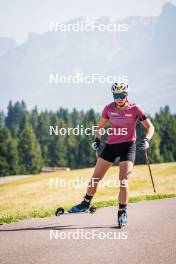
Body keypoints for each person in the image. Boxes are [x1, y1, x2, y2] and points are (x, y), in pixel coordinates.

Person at [69, 82, 155, 227]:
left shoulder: (135, 109)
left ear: (126, 95)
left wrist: (146, 140)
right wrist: (96, 139)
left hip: (128, 147)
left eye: (122, 95)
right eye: (116, 95)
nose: (119, 98)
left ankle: (122, 212)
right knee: (96, 177)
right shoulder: (109, 108)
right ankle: (85, 203)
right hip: (111, 146)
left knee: (123, 180)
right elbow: (100, 126)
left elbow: (150, 127)